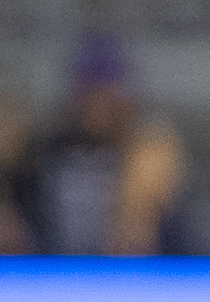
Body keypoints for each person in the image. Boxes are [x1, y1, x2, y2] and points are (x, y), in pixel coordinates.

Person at [37, 34, 189, 257]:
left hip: (136, 278)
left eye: (110, 94)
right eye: (91, 93)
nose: (99, 104)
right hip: (58, 276)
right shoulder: (46, 158)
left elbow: (150, 243)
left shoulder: (149, 152)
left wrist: (138, 212)